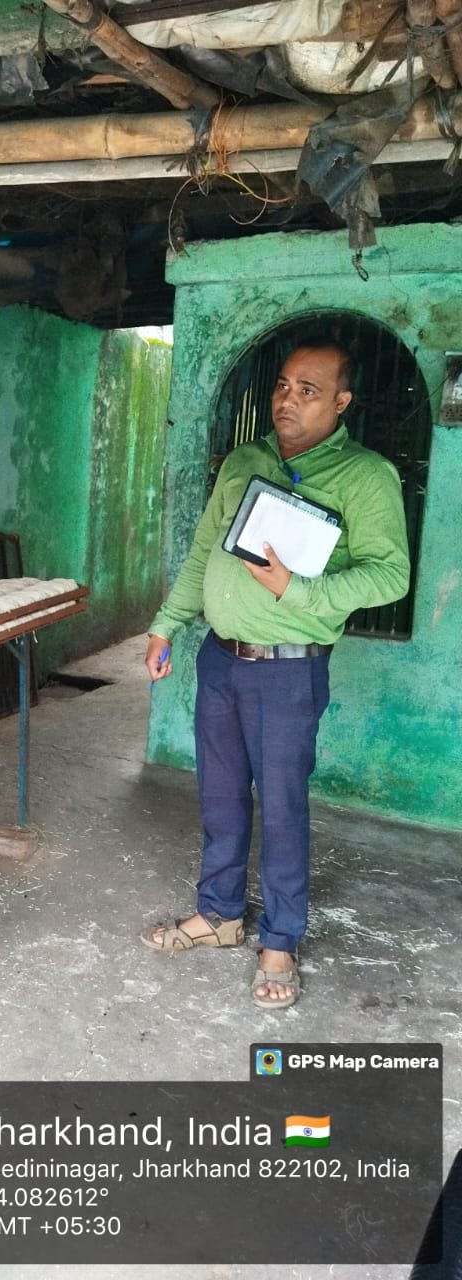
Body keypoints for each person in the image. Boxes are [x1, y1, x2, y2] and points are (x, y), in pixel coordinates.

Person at [141, 340, 410, 1009]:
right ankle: (220, 914)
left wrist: (297, 589)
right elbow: (204, 550)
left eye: (308, 390)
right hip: (219, 658)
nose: (288, 400)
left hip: (288, 672)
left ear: (342, 401)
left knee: (283, 807)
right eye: (283, 385)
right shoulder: (246, 461)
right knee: (220, 795)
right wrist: (167, 623)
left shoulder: (365, 476)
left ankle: (281, 940)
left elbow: (390, 575)